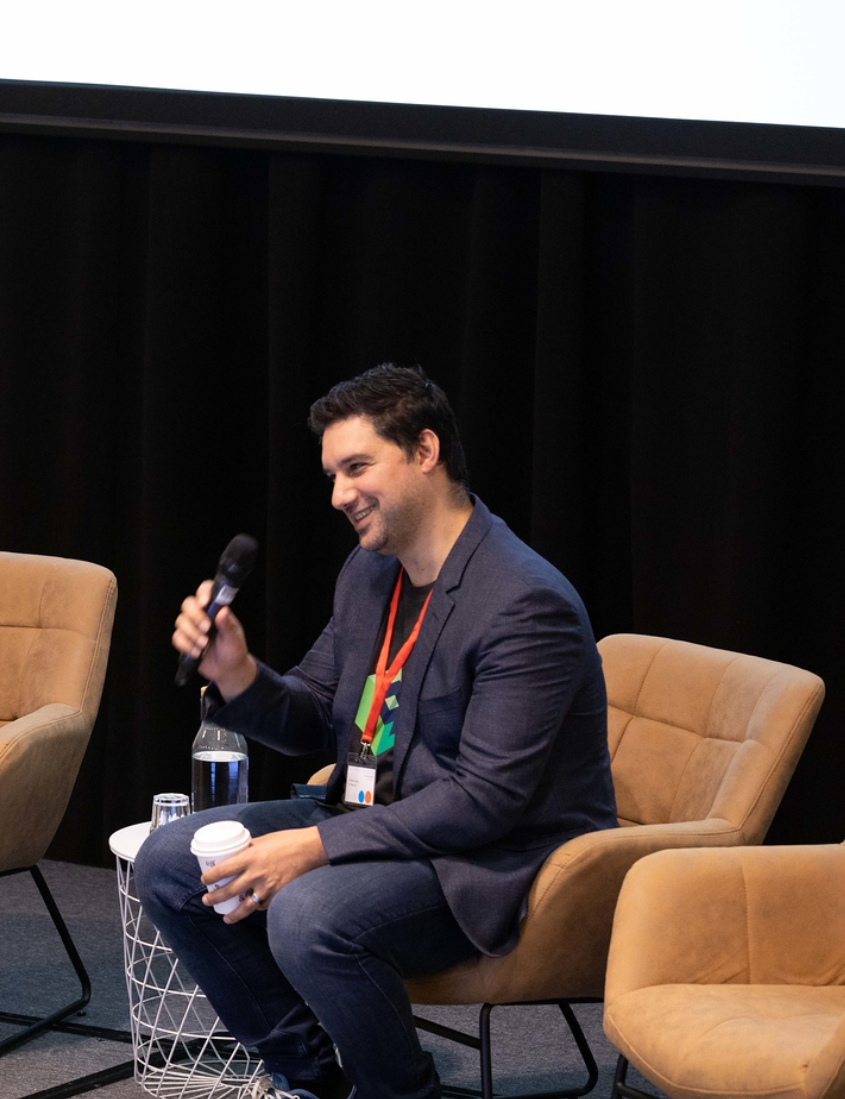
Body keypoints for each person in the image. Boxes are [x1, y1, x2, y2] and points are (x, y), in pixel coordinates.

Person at [139, 364, 615, 1099]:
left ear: (425, 450)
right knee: (169, 861)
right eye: (331, 473)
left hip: (492, 860)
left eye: (356, 466)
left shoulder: (524, 602)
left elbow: (484, 800)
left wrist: (313, 846)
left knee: (307, 910)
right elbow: (313, 717)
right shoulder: (368, 574)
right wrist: (237, 674)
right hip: (378, 813)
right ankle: (309, 1079)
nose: (337, 495)